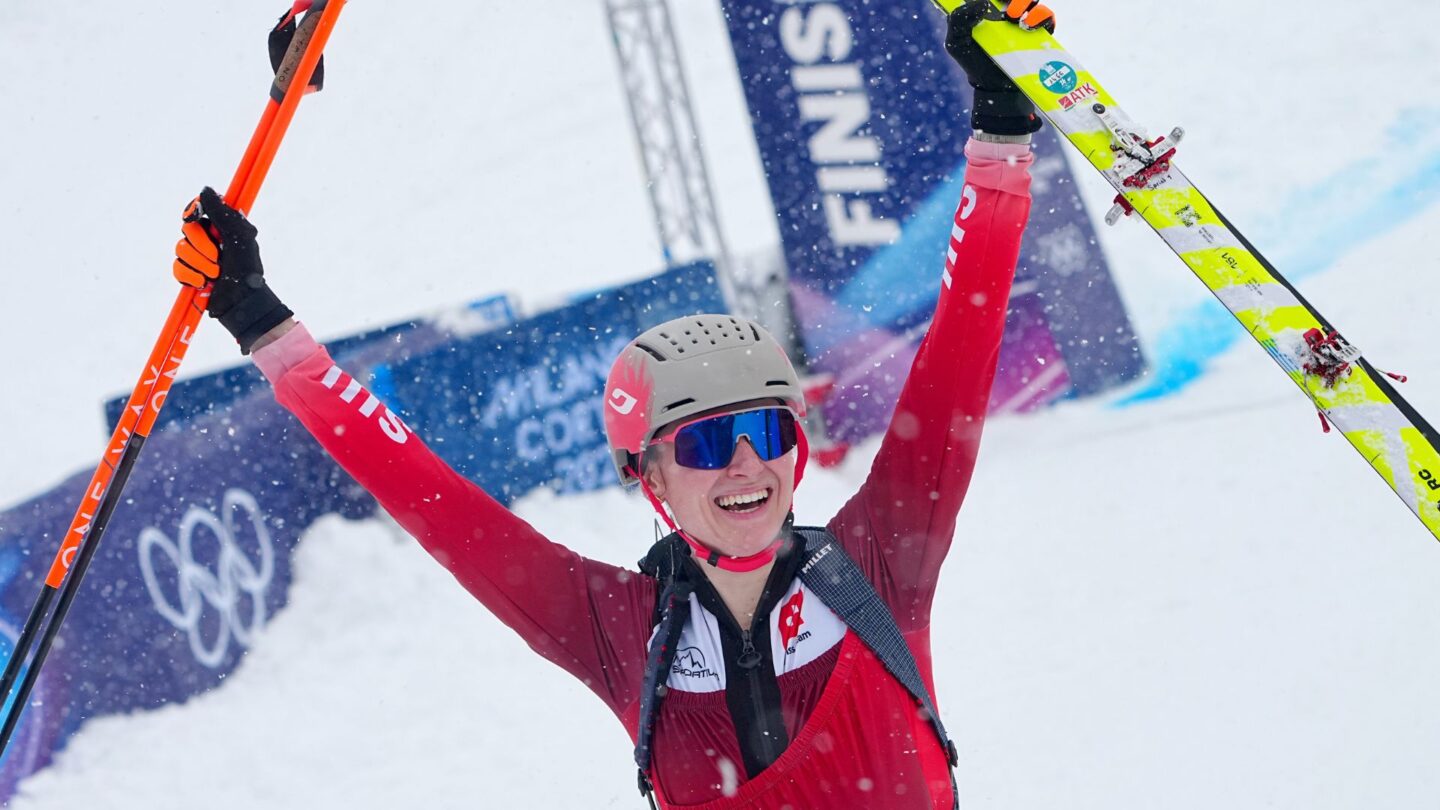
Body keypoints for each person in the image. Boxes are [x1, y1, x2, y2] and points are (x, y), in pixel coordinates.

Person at [172, 2, 1055, 806]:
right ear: (649, 476)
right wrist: (266, 328)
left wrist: (1002, 131)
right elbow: (434, 502)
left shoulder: (882, 562)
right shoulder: (621, 632)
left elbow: (957, 362)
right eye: (708, 444)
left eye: (764, 432)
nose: (748, 465)